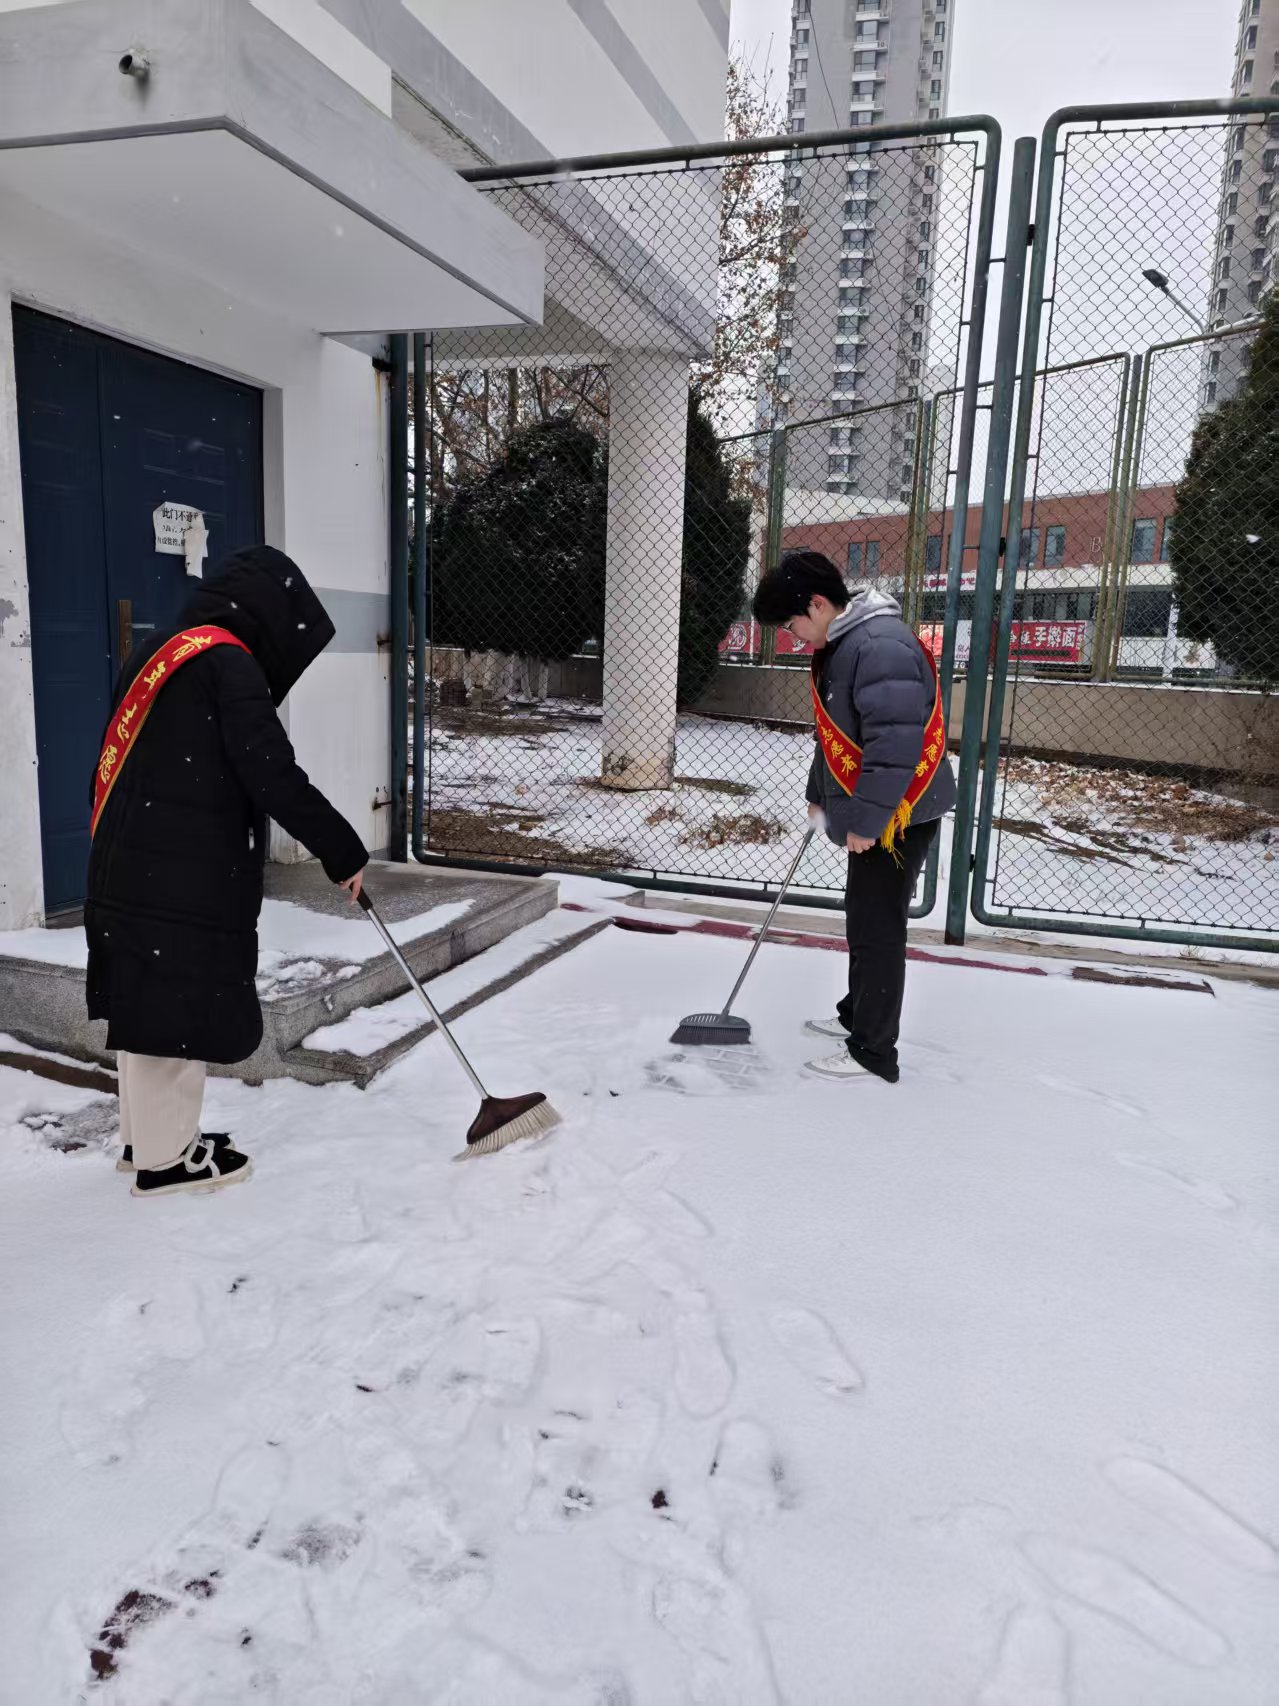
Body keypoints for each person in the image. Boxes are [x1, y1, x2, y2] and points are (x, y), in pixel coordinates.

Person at [86, 545, 368, 1196]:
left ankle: (145, 1142)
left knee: (145, 1005)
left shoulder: (159, 651)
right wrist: (342, 850)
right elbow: (272, 773)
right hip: (181, 872)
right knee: (174, 1013)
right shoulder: (226, 662)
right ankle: (165, 1164)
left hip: (133, 858)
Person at [751, 550, 956, 1085]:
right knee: (864, 916)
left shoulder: (879, 647)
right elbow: (838, 734)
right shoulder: (847, 642)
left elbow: (893, 748)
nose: (794, 637)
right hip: (879, 808)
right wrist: (818, 794)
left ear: (817, 604)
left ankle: (873, 1050)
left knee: (877, 926)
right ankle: (855, 1014)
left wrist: (867, 821)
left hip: (898, 814)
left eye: (791, 624)